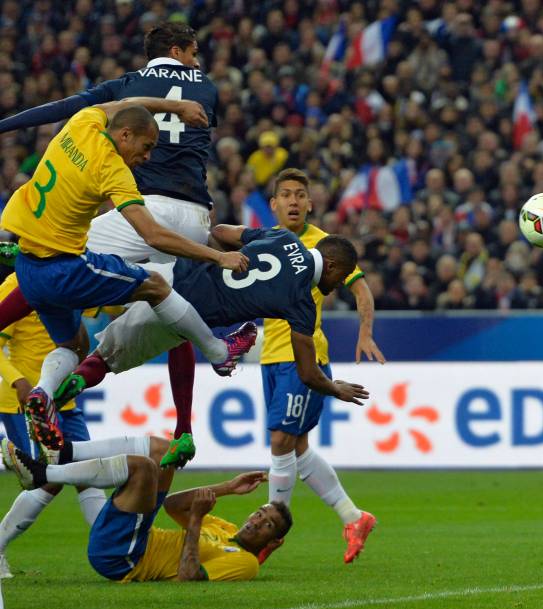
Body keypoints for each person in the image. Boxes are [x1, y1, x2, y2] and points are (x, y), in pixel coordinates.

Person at [0, 22, 225, 468]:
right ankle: (183, 427)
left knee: (47, 264)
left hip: (141, 211)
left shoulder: (117, 99)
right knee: (169, 310)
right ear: (177, 50)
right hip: (195, 217)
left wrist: (5, 125)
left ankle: (60, 382)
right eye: (193, 52)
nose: (197, 61)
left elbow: (61, 108)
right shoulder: (210, 89)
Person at [210, 168, 384, 564]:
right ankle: (354, 517)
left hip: (303, 355)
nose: (292, 201)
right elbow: (220, 232)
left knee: (279, 442)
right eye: (285, 195)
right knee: (297, 448)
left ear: (310, 203)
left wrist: (365, 332)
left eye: (299, 195)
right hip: (272, 354)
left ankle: (269, 533)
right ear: (273, 205)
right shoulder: (268, 239)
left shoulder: (325, 245)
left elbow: (361, 288)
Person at [53, 229, 370, 439]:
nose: (340, 284)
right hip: (181, 313)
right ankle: (59, 393)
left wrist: (222, 263)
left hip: (173, 271)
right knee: (105, 359)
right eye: (342, 276)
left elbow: (218, 232)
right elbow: (308, 373)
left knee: (78, 283)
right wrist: (334, 388)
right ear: (330, 266)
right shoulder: (302, 302)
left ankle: (32, 269)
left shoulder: (282, 236)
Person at [0, 435, 292, 582]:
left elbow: (188, 576)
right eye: (259, 512)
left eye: (266, 524)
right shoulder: (226, 530)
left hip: (126, 557)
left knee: (143, 469)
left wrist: (196, 520)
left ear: (274, 541)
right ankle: (62, 455)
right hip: (136, 535)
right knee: (165, 451)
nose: (256, 521)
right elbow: (172, 504)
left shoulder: (246, 563)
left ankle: (43, 473)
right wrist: (228, 487)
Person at [0, 272, 109, 578]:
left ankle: (115, 551)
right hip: (25, 401)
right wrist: (18, 381)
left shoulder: (68, 275)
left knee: (90, 472)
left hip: (64, 399)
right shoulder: (15, 284)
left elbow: (98, 308)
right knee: (50, 477)